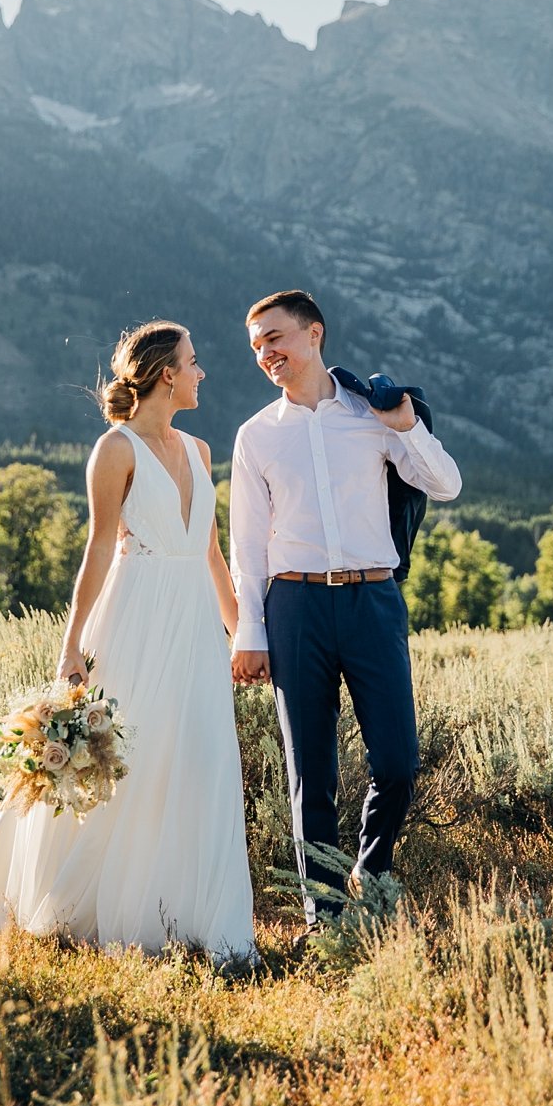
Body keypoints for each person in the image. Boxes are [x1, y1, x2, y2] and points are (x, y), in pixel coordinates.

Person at [0, 320, 256, 965]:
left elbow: (211, 551)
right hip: (134, 619)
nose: (201, 372)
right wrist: (71, 645)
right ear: (166, 375)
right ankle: (87, 908)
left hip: (193, 627)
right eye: (193, 362)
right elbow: (99, 550)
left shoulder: (200, 451)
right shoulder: (116, 450)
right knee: (124, 762)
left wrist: (242, 629)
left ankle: (197, 917)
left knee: (199, 760)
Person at [227, 290, 462, 925]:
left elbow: (446, 485)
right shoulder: (255, 437)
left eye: (274, 339)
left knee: (398, 760)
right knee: (312, 774)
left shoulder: (371, 414)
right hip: (295, 605)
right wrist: (248, 630)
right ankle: (323, 915)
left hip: (373, 600)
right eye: (256, 347)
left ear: (313, 334)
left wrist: (405, 424)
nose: (266, 355)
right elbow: (246, 546)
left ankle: (371, 867)